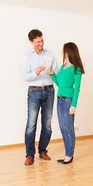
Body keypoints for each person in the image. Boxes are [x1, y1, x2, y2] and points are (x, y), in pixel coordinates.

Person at [23, 29, 59, 166]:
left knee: (47, 124)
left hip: (49, 91)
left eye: (42, 40)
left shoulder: (50, 54)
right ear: (31, 42)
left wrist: (52, 72)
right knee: (31, 124)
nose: (41, 44)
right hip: (34, 91)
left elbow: (57, 72)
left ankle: (43, 150)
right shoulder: (28, 57)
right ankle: (29, 154)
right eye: (38, 42)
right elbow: (26, 76)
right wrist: (35, 72)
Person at [48, 42, 85, 164]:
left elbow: (77, 88)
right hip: (59, 100)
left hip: (68, 101)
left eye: (64, 50)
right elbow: (59, 84)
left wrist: (73, 105)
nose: (62, 53)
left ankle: (70, 155)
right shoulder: (63, 67)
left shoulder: (76, 69)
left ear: (69, 51)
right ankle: (66, 154)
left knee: (69, 128)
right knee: (63, 129)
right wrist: (53, 74)